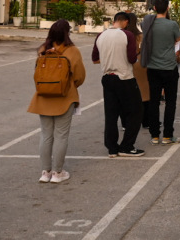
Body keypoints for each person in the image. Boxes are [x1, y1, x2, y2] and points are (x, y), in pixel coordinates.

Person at [28, 20, 86, 184]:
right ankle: (57, 172)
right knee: (61, 136)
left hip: (43, 97)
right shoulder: (72, 51)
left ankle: (45, 172)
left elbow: (37, 74)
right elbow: (80, 76)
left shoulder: (43, 50)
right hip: (64, 98)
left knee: (46, 135)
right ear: (67, 33)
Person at [93, 12, 145, 158]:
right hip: (125, 77)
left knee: (111, 114)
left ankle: (112, 148)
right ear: (126, 22)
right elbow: (131, 58)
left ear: (114, 21)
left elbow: (95, 59)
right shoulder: (127, 35)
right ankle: (127, 146)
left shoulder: (101, 36)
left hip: (107, 77)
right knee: (136, 111)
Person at [140, 0, 180, 144]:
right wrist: (176, 52)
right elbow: (179, 41)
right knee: (171, 102)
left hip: (152, 68)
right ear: (168, 8)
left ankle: (154, 135)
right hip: (169, 67)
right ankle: (167, 135)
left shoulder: (148, 24)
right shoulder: (172, 25)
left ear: (154, 8)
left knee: (154, 102)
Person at [126, 13, 151, 127]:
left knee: (128, 92)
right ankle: (145, 120)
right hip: (140, 62)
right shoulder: (140, 35)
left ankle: (126, 122)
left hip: (126, 63)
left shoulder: (123, 34)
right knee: (144, 91)